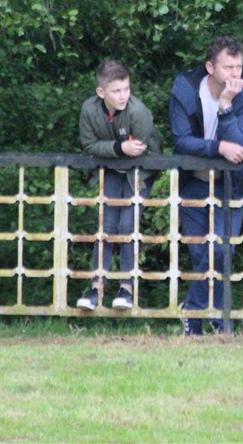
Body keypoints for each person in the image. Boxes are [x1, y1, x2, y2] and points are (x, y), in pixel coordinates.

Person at [169, 36, 243, 335]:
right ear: (210, 67)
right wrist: (218, 148)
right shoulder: (185, 90)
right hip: (193, 183)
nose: (236, 74)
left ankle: (198, 312)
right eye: (228, 67)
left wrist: (226, 106)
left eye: (239, 67)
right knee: (201, 255)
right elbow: (182, 141)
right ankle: (205, 323)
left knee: (221, 251)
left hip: (228, 185)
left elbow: (238, 140)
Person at [77, 60, 161, 311]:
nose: (123, 95)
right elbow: (89, 145)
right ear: (101, 92)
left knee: (127, 226)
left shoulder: (138, 112)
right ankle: (96, 288)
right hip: (112, 169)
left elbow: (140, 149)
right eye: (116, 91)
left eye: (126, 89)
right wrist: (118, 147)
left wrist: (120, 150)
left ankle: (126, 288)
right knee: (106, 227)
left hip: (141, 171)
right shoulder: (89, 110)